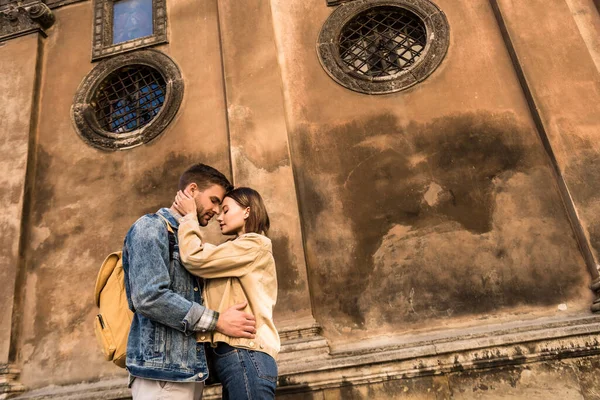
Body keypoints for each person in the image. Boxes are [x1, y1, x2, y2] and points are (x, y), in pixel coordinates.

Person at [122, 164, 257, 400]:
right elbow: (149, 297)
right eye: (214, 201)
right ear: (192, 190)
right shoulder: (150, 227)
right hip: (161, 375)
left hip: (187, 373)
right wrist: (217, 321)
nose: (216, 211)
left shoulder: (185, 239)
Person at [173, 187, 280, 400]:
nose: (219, 217)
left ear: (247, 211)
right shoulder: (234, 249)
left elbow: (195, 257)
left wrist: (189, 219)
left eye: (226, 210)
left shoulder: (254, 245)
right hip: (238, 358)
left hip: (246, 355)